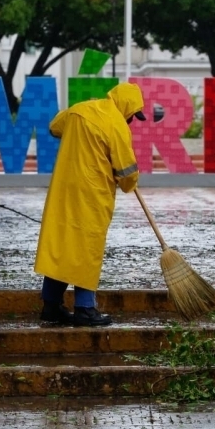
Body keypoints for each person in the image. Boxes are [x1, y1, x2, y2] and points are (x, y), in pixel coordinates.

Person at [34, 83, 146, 326]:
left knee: (63, 244)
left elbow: (54, 127)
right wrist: (130, 181)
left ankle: (51, 305)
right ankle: (85, 308)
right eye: (132, 115)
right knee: (87, 248)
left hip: (63, 190)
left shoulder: (79, 110)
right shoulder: (116, 124)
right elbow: (126, 173)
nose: (131, 120)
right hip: (91, 196)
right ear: (125, 106)